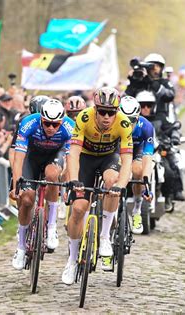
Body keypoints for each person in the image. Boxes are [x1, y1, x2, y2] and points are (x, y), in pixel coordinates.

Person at [62, 87, 133, 284]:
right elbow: (74, 152)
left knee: (112, 183)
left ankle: (104, 237)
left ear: (117, 111)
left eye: (111, 112)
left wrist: (121, 184)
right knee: (78, 209)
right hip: (85, 159)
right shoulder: (84, 118)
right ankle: (72, 260)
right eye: (102, 111)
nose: (106, 117)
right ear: (95, 109)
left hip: (108, 159)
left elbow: (127, 159)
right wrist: (74, 179)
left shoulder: (124, 123)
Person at [10, 99, 74, 270]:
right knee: (27, 200)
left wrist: (67, 185)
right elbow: (18, 159)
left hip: (55, 156)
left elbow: (70, 161)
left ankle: (52, 227)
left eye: (55, 124)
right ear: (40, 119)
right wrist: (16, 184)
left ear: (61, 121)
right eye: (47, 123)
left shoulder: (69, 127)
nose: (51, 128)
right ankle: (21, 246)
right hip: (31, 158)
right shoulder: (28, 123)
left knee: (52, 175)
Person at [119, 96, 154, 234]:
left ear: (138, 116)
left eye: (132, 120)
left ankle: (137, 209)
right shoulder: (112, 124)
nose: (128, 124)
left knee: (138, 171)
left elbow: (148, 155)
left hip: (137, 150)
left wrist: (146, 180)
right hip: (119, 150)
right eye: (124, 119)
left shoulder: (146, 126)